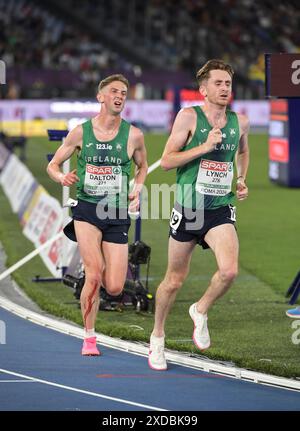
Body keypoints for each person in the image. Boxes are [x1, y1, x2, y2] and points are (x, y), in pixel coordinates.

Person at [148, 59, 250, 370]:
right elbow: (166, 161)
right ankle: (157, 338)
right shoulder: (188, 117)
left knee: (229, 271)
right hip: (189, 209)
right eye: (218, 83)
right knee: (174, 280)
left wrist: (242, 178)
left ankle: (200, 309)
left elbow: (243, 151)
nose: (224, 88)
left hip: (220, 208)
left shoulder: (240, 121)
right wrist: (204, 147)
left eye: (228, 83)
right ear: (203, 89)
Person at [47, 74, 148, 356]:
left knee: (115, 287)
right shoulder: (81, 132)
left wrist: (137, 188)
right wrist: (61, 177)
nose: (119, 96)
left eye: (124, 93)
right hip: (87, 210)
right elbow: (53, 165)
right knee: (94, 274)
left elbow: (142, 167)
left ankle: (92, 288)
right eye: (114, 91)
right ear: (101, 96)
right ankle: (89, 337)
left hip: (116, 213)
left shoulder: (134, 135)